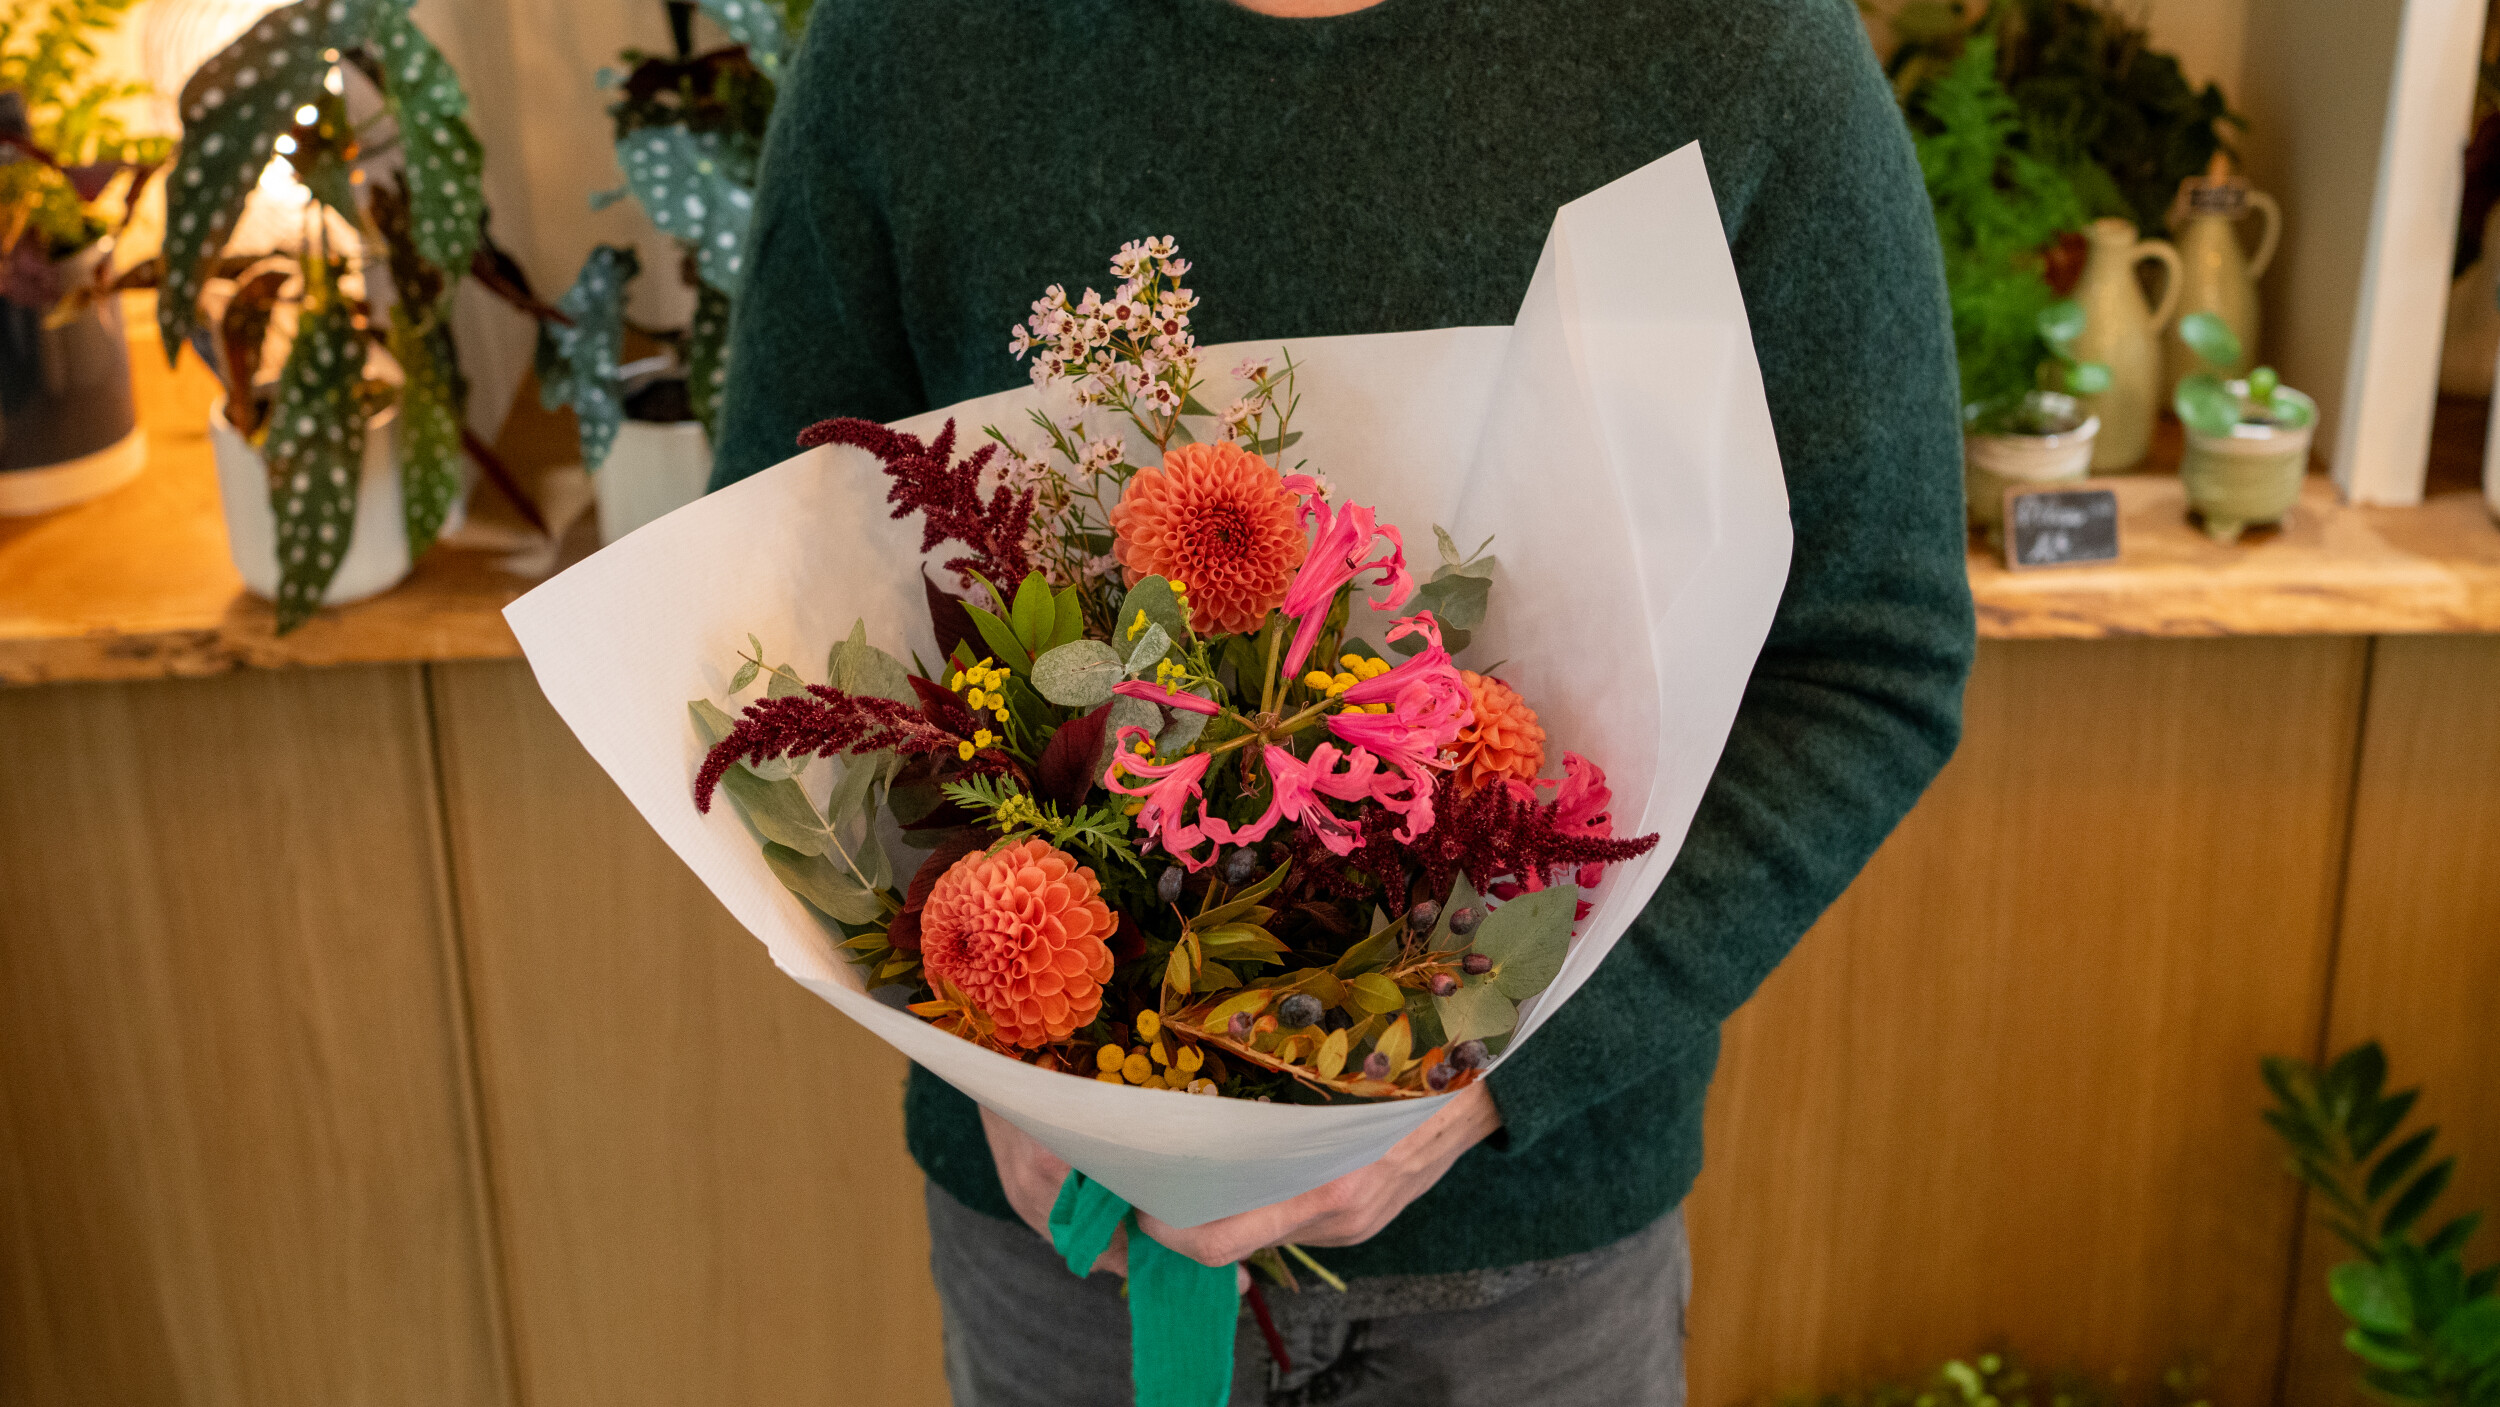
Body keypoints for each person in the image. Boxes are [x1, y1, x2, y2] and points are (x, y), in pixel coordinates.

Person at [710, 0, 1976, 1400]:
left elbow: (1870, 657)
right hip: (1066, 1257)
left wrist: (1490, 1081)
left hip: (1527, 1271)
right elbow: (779, 595)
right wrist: (992, 1038)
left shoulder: (1740, 45)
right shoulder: (912, 45)